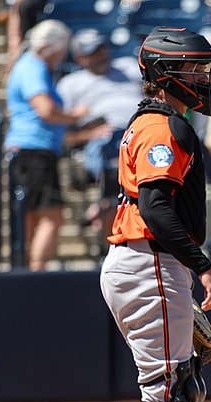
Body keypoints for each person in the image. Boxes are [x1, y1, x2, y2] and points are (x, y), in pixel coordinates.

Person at [99, 26, 211, 402]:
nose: (203, 77)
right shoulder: (160, 125)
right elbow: (154, 207)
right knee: (171, 393)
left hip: (139, 262)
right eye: (194, 67)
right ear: (165, 73)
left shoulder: (148, 120)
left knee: (167, 388)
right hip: (149, 260)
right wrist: (204, 266)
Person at [4, 19, 103, 271]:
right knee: (52, 216)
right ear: (50, 46)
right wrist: (76, 115)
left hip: (32, 151)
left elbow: (50, 126)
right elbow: (46, 111)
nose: (62, 57)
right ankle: (34, 274)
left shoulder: (29, 66)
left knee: (32, 218)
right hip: (33, 153)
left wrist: (83, 134)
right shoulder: (33, 67)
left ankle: (24, 271)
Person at [57, 28, 142, 249]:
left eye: (102, 48)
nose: (101, 54)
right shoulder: (70, 85)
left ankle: (111, 203)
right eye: (93, 52)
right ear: (79, 58)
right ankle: (113, 199)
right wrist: (88, 134)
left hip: (141, 132)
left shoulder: (129, 68)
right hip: (103, 139)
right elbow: (60, 134)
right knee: (108, 155)